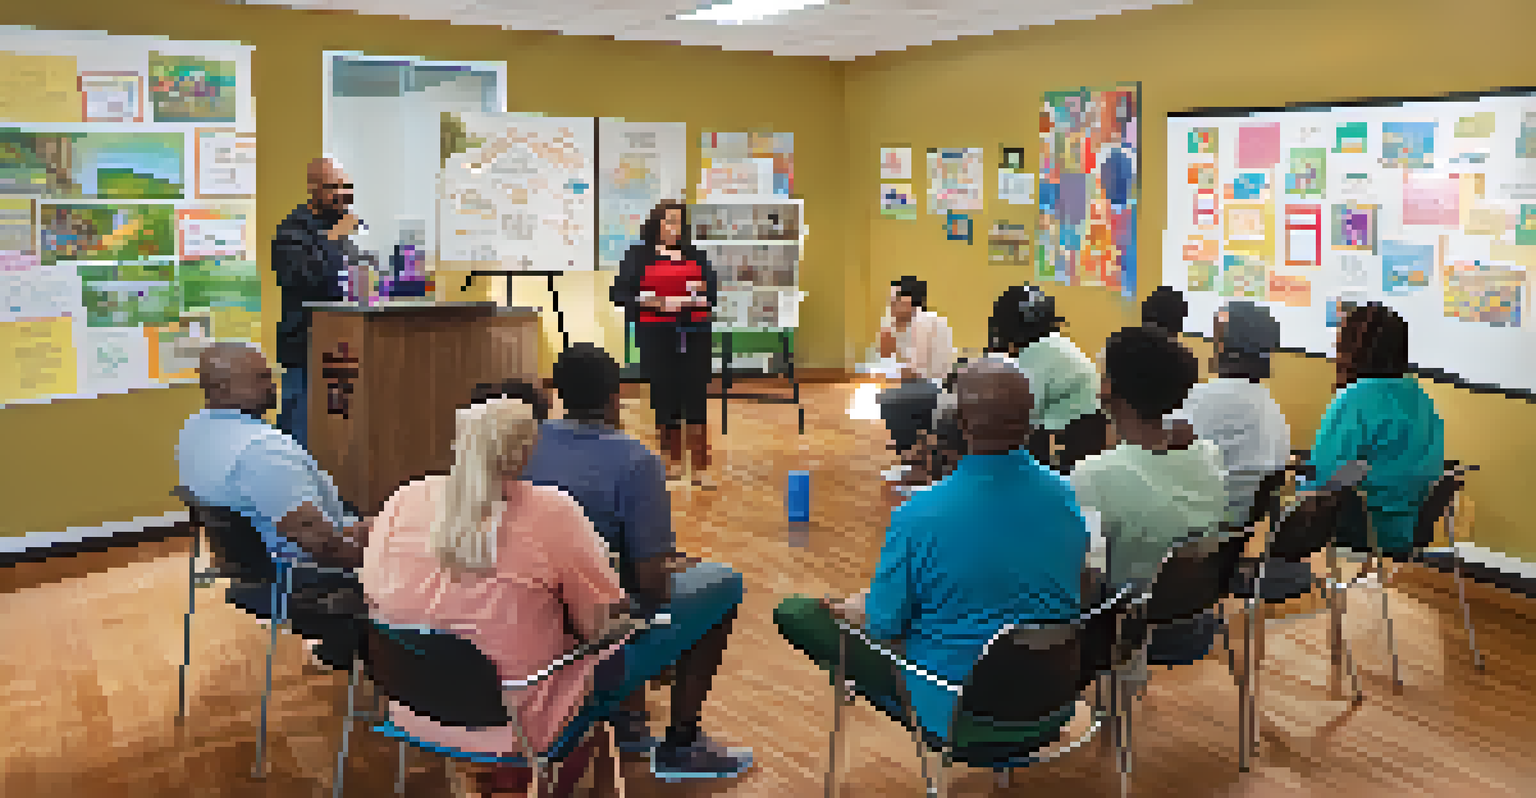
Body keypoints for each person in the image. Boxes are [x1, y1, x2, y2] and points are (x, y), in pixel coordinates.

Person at [361, 389, 753, 786]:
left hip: (413, 705)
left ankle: (633, 730)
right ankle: (681, 744)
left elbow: (373, 591)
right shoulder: (550, 511)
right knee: (712, 588)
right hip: (522, 720)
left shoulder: (403, 498)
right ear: (529, 448)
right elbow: (604, 625)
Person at [776, 359, 1089, 749]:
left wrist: (854, 609)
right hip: (1050, 700)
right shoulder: (1064, 495)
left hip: (960, 712)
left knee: (797, 613)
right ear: (1031, 422)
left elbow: (884, 627)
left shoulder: (918, 515)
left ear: (958, 422)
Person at [514, 343, 749, 765]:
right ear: (615, 393)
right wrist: (666, 564)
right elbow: (652, 586)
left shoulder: (526, 445)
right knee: (723, 584)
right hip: (594, 629)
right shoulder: (635, 461)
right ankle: (682, 742)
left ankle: (626, 719)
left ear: (557, 394)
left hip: (529, 614)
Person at [175, 341, 369, 671]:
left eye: (269, 376)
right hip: (295, 576)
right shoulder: (263, 450)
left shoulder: (194, 429)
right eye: (261, 379)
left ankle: (342, 645)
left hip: (247, 568)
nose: (273, 387)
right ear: (221, 387)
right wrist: (383, 558)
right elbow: (322, 546)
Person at [1071, 326, 1228, 674]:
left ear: (1109, 388)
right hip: (1196, 620)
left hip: (1125, 634)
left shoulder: (1094, 474)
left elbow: (1087, 578)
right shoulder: (1208, 454)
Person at [1298, 302, 1444, 557]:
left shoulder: (1353, 400)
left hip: (1362, 527)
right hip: (1407, 526)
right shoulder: (1420, 396)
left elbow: (1322, 481)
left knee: (1272, 505)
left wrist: (1295, 476)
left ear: (1352, 348)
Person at [610, 201, 720, 489]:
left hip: (695, 329)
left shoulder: (695, 254)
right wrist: (652, 301)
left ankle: (700, 466)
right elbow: (619, 292)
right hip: (655, 330)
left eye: (679, 223)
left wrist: (695, 300)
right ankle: (670, 462)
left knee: (695, 390)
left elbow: (712, 290)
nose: (674, 228)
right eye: (669, 221)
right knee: (664, 390)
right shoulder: (638, 255)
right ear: (656, 223)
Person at [1171, 301, 1292, 527]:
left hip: (1192, 533)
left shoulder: (1196, 399)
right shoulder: (1273, 410)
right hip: (1240, 540)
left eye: (1216, 340)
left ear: (1226, 346)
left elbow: (1154, 458)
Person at [271, 157, 361, 447]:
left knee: (335, 435)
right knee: (299, 431)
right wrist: (335, 238)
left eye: (347, 187)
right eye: (333, 187)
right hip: (305, 346)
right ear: (313, 188)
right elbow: (304, 277)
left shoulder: (347, 230)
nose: (343, 195)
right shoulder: (291, 231)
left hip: (345, 346)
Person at [985, 284, 1109, 473]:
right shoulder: (1059, 345)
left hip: (1060, 448)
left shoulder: (1033, 355)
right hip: (1086, 444)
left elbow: (1018, 414)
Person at [874, 276, 956, 470]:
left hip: (938, 388)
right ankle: (912, 446)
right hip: (925, 386)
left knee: (890, 400)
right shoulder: (908, 324)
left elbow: (915, 371)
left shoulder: (924, 321)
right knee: (897, 394)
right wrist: (888, 324)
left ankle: (910, 453)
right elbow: (884, 353)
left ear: (909, 301)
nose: (890, 305)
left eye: (894, 300)